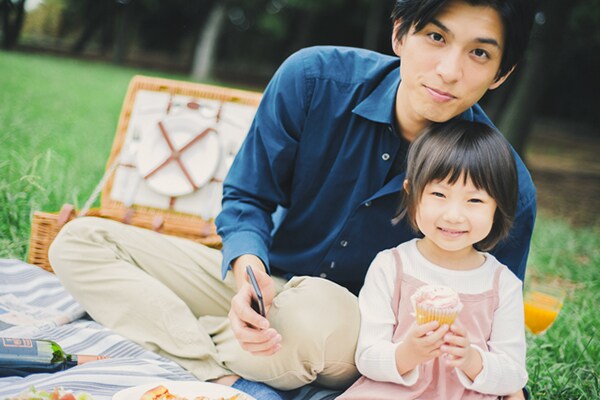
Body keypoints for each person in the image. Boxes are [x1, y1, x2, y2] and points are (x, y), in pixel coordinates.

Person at [48, 0, 536, 398]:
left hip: (360, 332)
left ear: (501, 73)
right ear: (399, 34)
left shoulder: (503, 184)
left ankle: (175, 327)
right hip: (271, 285)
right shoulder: (313, 79)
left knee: (313, 315)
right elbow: (246, 197)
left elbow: (491, 320)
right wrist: (248, 272)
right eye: (435, 37)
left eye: (479, 53)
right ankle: (219, 373)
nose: (448, 70)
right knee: (81, 241)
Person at [338, 120, 527, 400]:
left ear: (498, 207)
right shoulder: (391, 266)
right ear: (412, 193)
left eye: (474, 201)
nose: (453, 215)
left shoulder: (502, 285)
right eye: (439, 194)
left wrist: (471, 360)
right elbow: (367, 356)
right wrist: (408, 354)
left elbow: (513, 375)